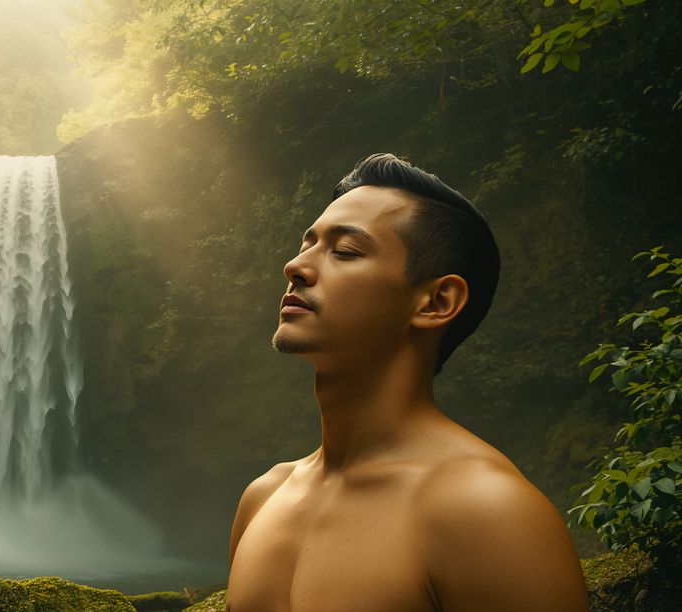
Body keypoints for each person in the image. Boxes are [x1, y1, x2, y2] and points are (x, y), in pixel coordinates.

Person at [225, 154, 589, 611]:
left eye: (345, 251)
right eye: (307, 243)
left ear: (437, 301)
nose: (295, 266)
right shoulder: (265, 496)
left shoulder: (485, 511)